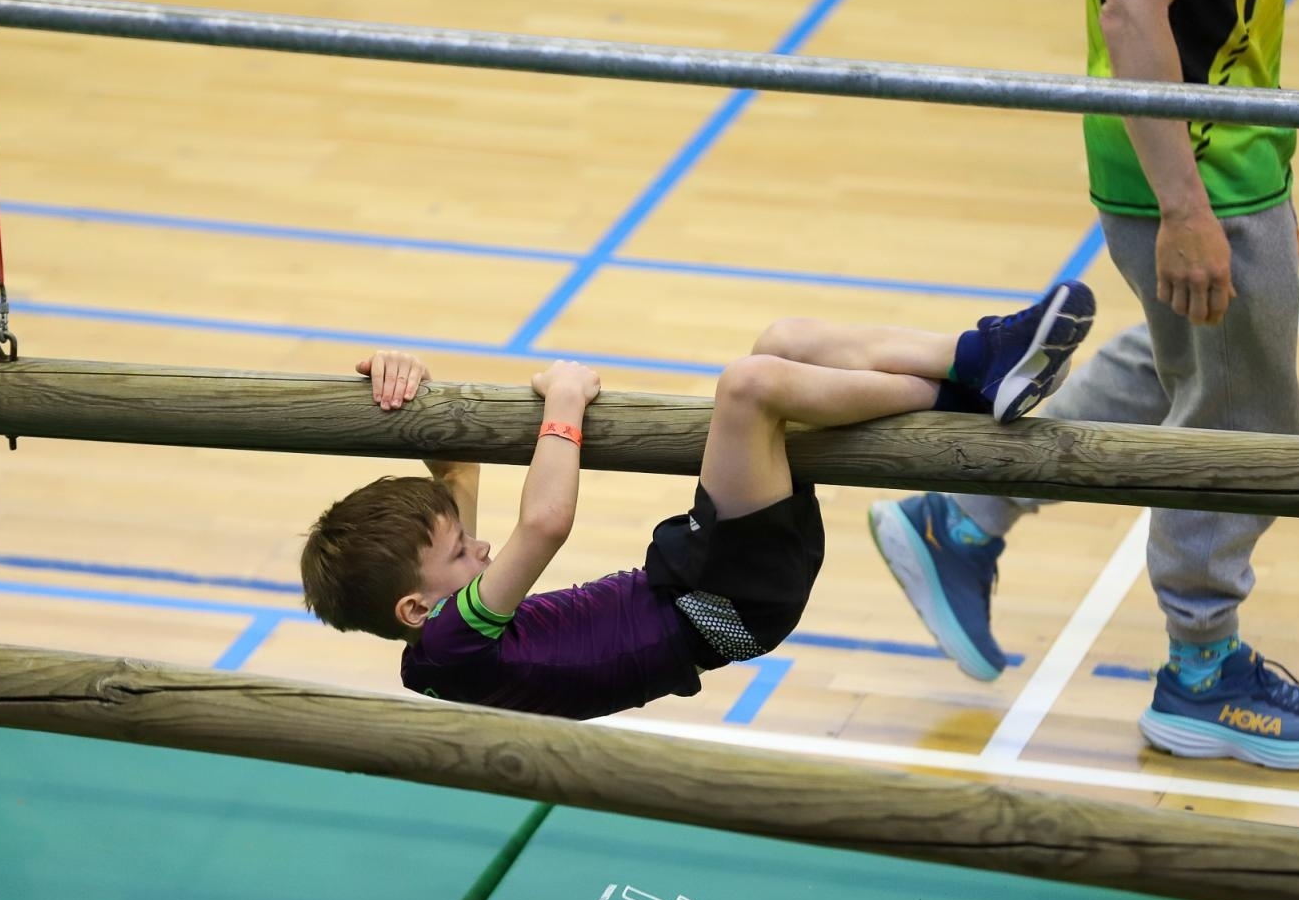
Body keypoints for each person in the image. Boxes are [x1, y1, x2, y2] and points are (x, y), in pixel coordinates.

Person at [870, 0, 1299, 769]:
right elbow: (1133, 9)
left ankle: (963, 517)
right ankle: (1202, 671)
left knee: (1180, 365)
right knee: (1242, 418)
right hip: (1200, 162)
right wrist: (1187, 210)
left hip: (1213, 141)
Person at [300, 282, 1094, 720]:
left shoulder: (444, 616)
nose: (477, 549)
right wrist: (564, 403)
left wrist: (398, 370)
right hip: (719, 604)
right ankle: (961, 390)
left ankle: (975, 359)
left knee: (781, 343)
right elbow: (543, 523)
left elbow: (455, 479)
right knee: (749, 388)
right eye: (459, 552)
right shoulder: (449, 643)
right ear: (414, 606)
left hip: (693, 582)